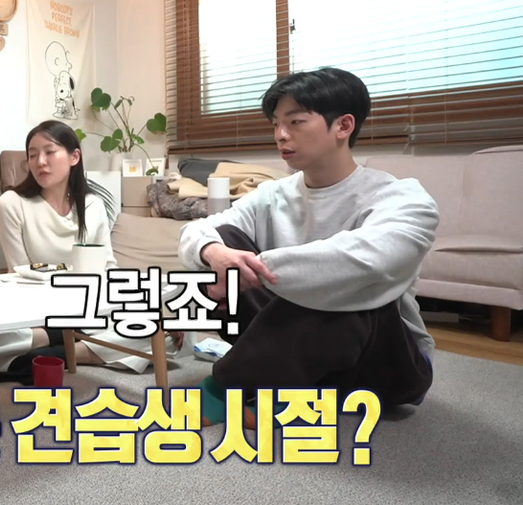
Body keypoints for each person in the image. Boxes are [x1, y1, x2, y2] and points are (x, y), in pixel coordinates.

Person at [177, 67, 438, 428]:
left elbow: (364, 263)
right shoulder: (272, 194)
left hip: (384, 363)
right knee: (224, 238)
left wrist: (253, 271)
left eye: (296, 122)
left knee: (338, 283)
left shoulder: (403, 198)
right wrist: (215, 254)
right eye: (276, 124)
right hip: (292, 341)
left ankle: (223, 390)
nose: (281, 135)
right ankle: (290, 388)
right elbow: (195, 232)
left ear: (343, 126)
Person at [0, 120, 182, 378]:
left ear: (74, 157)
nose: (40, 162)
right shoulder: (12, 204)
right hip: (38, 309)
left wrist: (150, 308)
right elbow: (18, 275)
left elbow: (108, 269)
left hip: (90, 307)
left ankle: (67, 352)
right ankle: (64, 340)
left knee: (168, 333)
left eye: (50, 152)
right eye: (33, 155)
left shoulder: (92, 205)